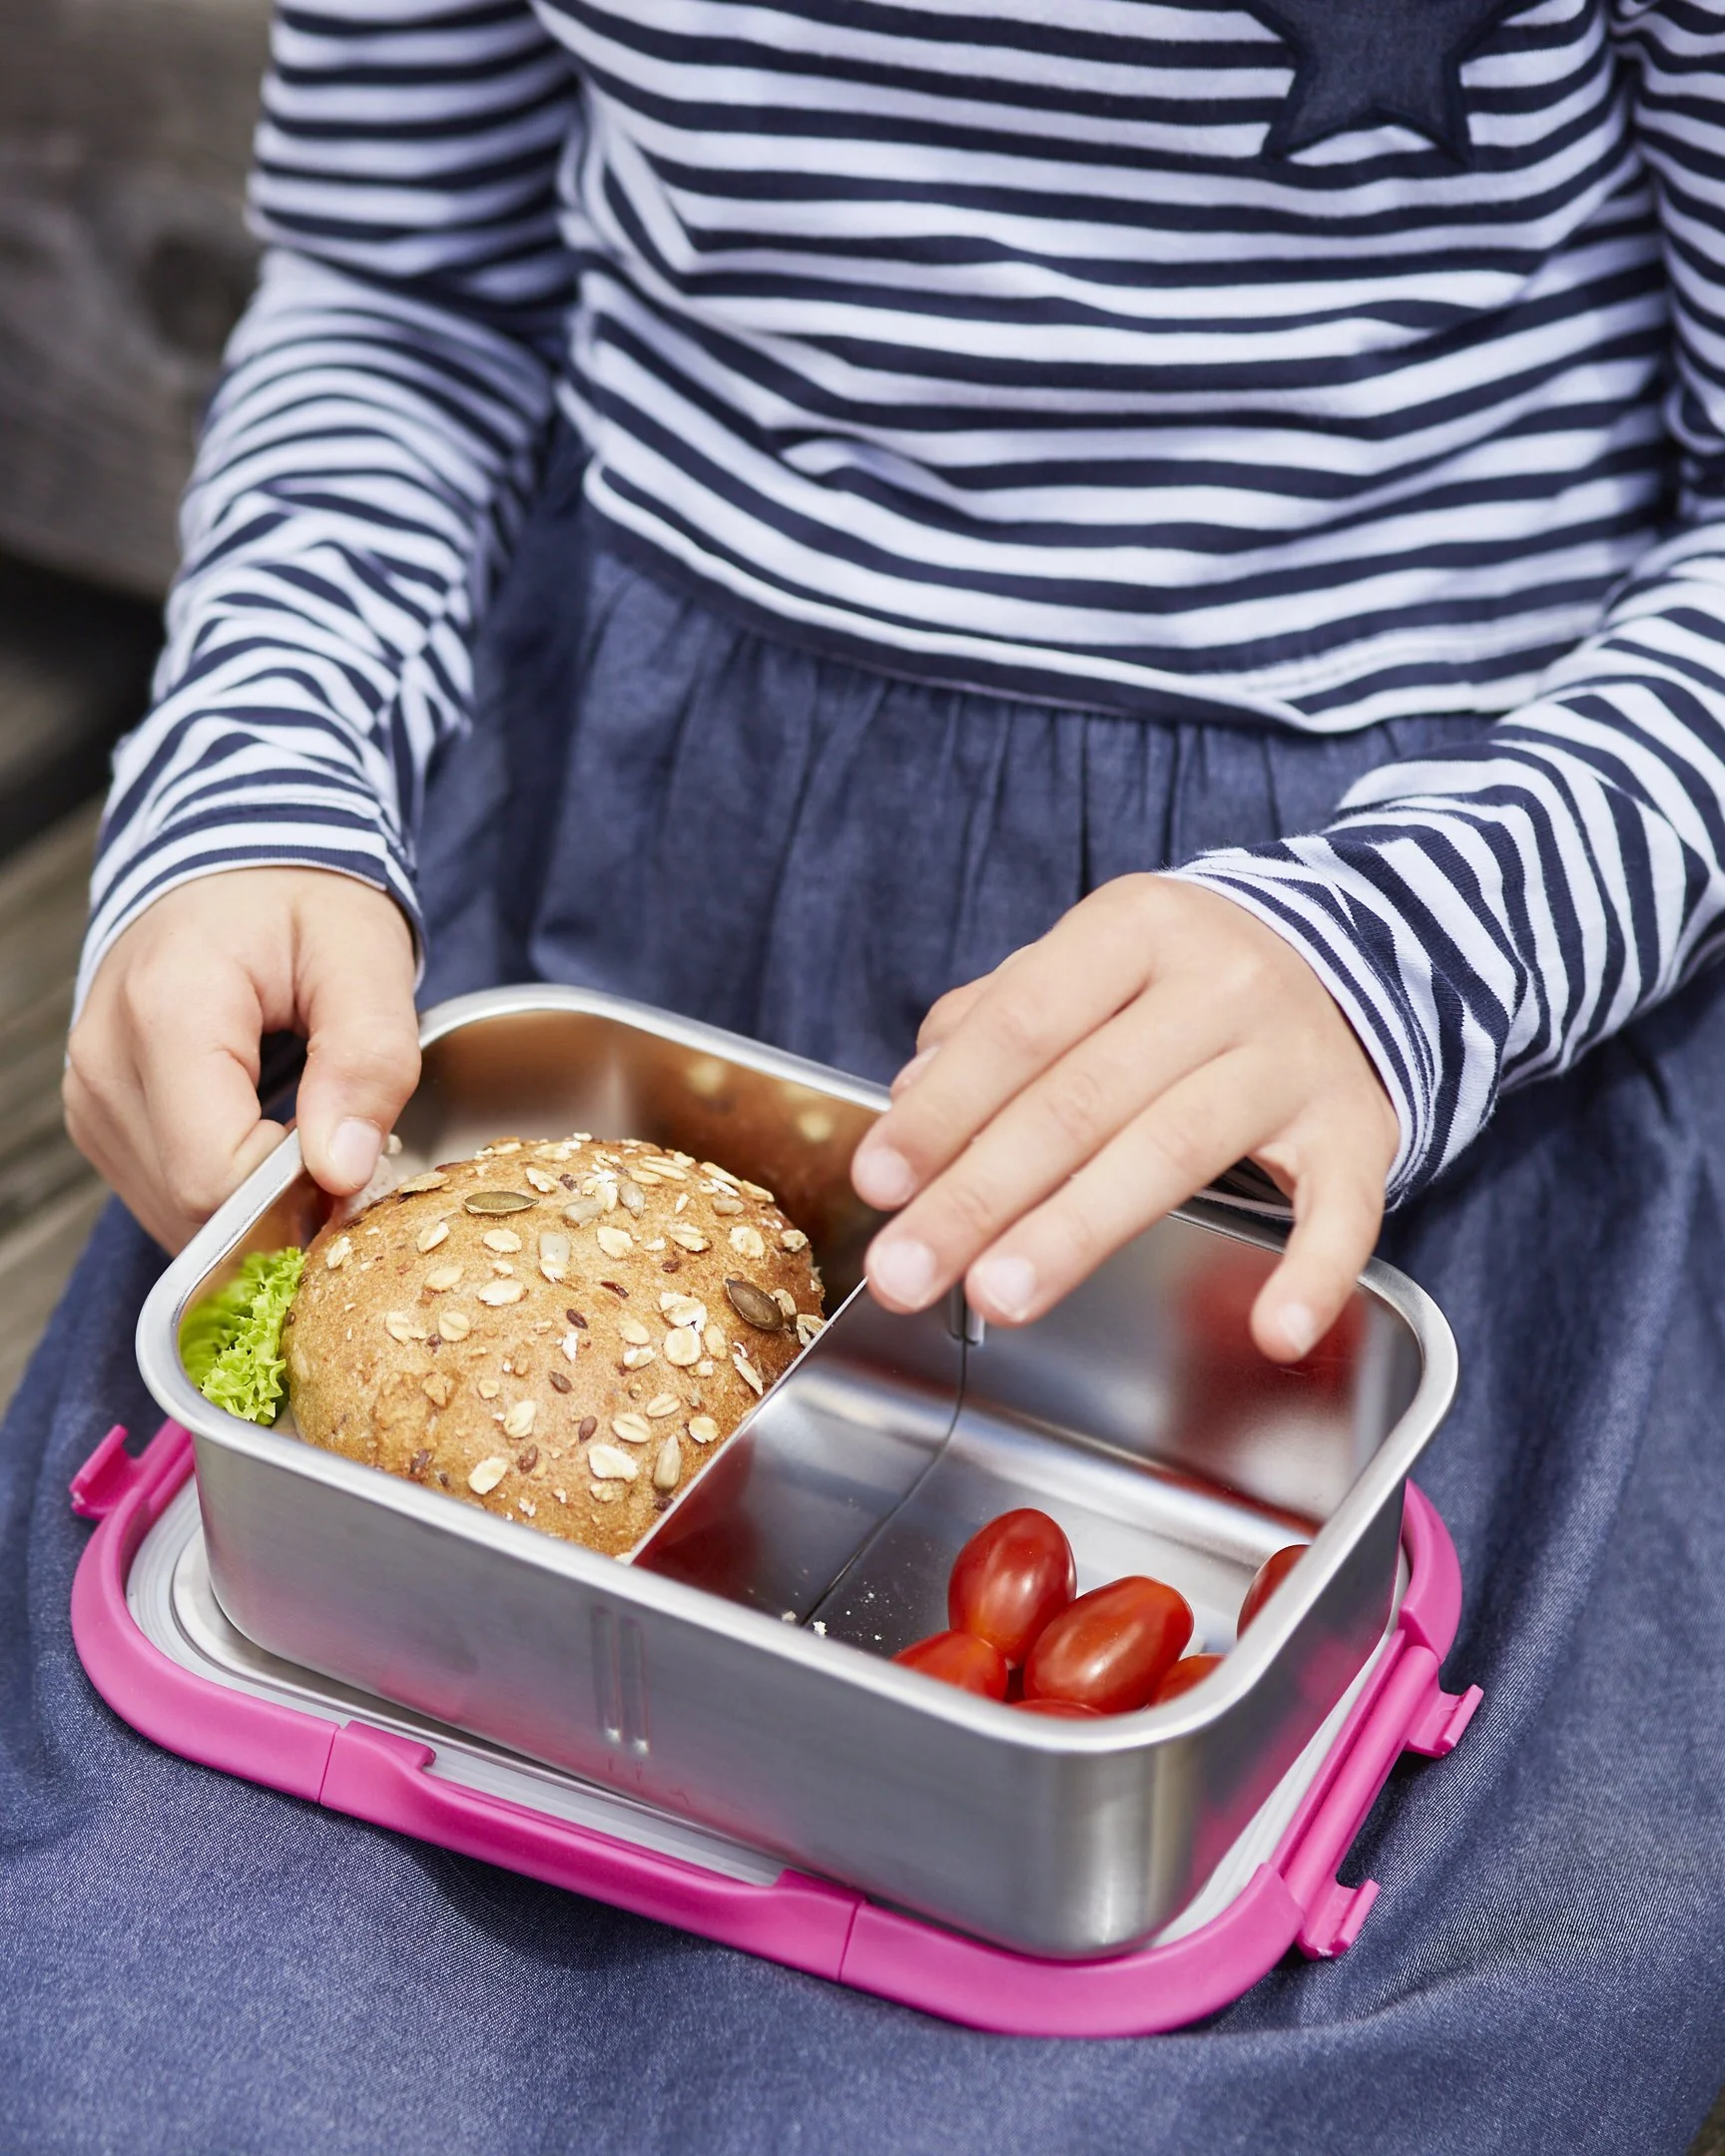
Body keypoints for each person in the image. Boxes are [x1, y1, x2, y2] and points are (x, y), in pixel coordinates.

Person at [9, 2, 1725, 2149]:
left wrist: (1406, 954)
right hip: (619, 856)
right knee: (134, 2029)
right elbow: (404, 286)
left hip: (1401, 1001)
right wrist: (254, 768)